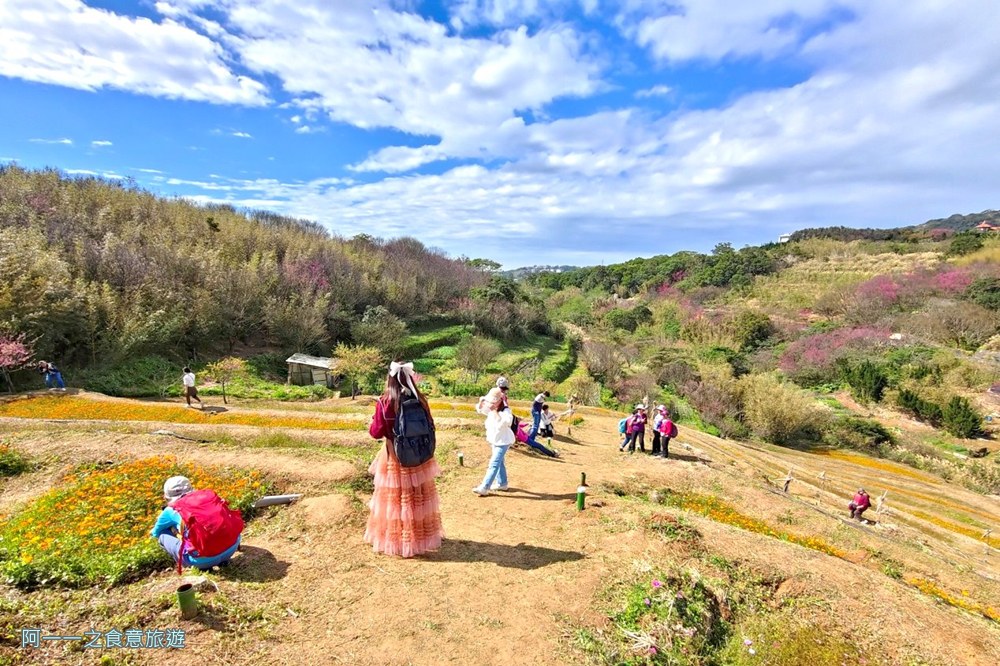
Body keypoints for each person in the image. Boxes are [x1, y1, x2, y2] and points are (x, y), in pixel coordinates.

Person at [365, 362, 443, 557]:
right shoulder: (420, 399)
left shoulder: (386, 401)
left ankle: (399, 541)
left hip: (395, 457)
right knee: (417, 499)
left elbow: (376, 432)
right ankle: (420, 538)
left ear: (390, 379)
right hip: (419, 457)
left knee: (396, 501)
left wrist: (373, 424)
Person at [151, 476, 242, 571]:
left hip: (202, 561)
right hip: (232, 547)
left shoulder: (171, 510)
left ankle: (191, 564)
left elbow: (155, 533)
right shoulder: (208, 496)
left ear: (167, 496)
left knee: (162, 535)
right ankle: (224, 561)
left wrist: (174, 530)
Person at [474, 386, 515, 495]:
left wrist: (495, 411)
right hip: (494, 439)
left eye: (493, 401)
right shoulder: (492, 407)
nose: (491, 403)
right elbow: (480, 409)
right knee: (499, 463)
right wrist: (481, 402)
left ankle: (485, 487)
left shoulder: (506, 411)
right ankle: (502, 483)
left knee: (494, 463)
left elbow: (504, 424)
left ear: (500, 401)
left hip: (503, 441)